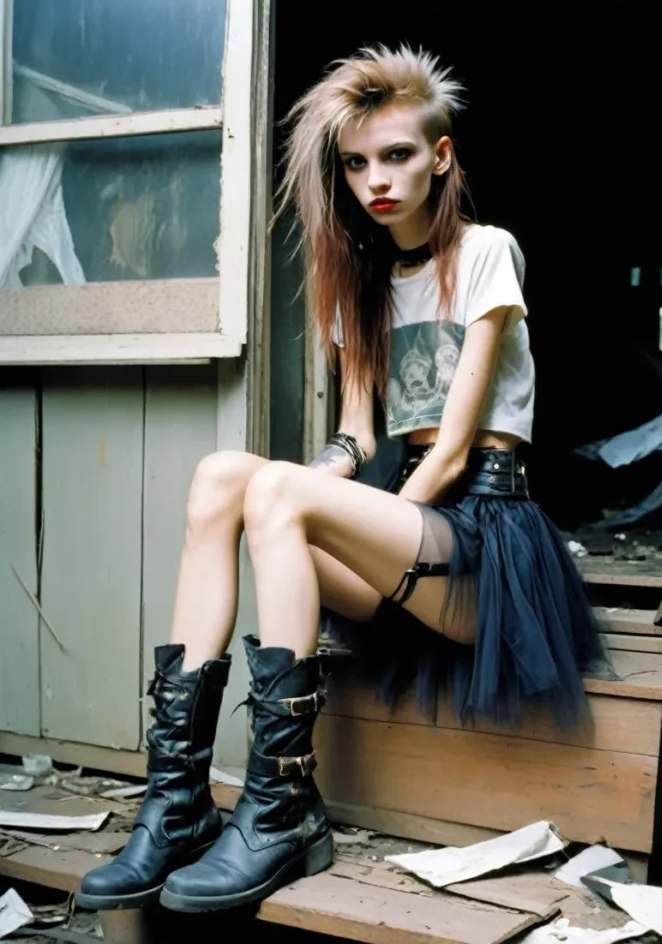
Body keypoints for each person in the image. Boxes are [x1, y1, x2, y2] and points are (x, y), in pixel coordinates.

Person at [75, 45, 606, 915]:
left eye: (396, 156)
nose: (375, 180)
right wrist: (306, 481)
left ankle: (280, 807)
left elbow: (450, 447)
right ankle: (175, 804)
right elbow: (357, 436)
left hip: (484, 541)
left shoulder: (487, 253)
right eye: (356, 163)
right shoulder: (361, 280)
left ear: (440, 158)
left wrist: (338, 508)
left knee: (281, 494)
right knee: (223, 477)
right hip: (410, 532)